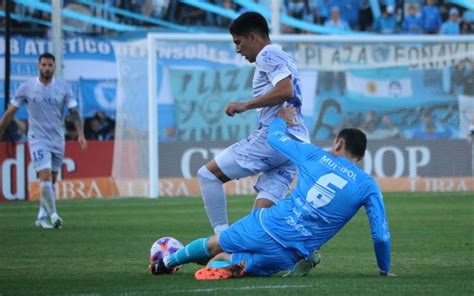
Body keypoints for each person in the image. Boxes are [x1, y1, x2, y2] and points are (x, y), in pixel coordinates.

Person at [150, 105, 393, 280]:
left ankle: (166, 263)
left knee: (215, 245)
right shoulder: (368, 185)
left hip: (266, 225)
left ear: (338, 144)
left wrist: (280, 119)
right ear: (361, 156)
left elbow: (275, 139)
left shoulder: (315, 155)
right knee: (224, 260)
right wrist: (384, 269)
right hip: (287, 255)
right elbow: (380, 235)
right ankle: (230, 265)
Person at [197, 12, 310, 235]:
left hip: (274, 138)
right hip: (295, 145)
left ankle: (223, 240)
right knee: (260, 221)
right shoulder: (284, 57)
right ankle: (302, 251)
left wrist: (245, 105)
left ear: (253, 37)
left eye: (238, 42)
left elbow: (285, 90)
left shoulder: (267, 54)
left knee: (208, 175)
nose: (238, 49)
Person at [0, 53, 87, 229]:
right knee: (45, 175)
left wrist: (80, 133)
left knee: (51, 180)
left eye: (50, 65)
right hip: (37, 138)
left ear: (54, 67)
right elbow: (11, 111)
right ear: (38, 66)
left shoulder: (63, 88)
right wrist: (1, 129)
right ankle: (54, 215)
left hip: (57, 138)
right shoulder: (27, 87)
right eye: (44, 65)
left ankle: (41, 215)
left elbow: (74, 113)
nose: (47, 68)